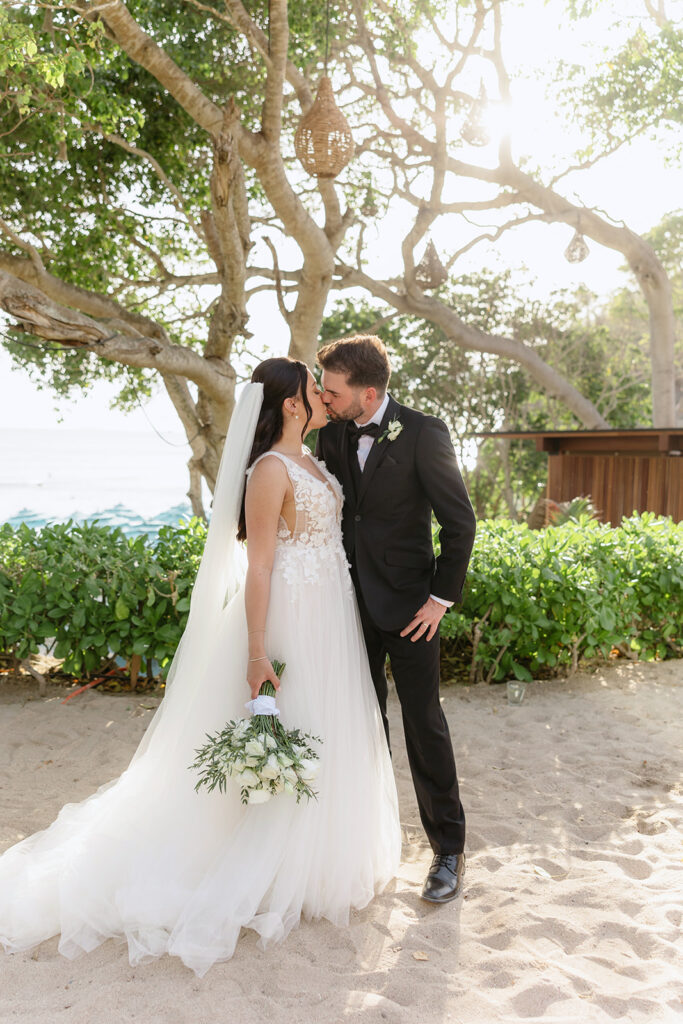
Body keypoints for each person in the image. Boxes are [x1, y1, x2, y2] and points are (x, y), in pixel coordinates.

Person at [0, 357, 401, 978]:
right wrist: (257, 649)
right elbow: (261, 566)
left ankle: (319, 859)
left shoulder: (314, 459)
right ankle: (258, 865)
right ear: (292, 405)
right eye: (312, 390)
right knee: (293, 724)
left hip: (330, 614)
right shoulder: (269, 471)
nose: (323, 395)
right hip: (292, 616)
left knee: (327, 729)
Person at [316, 335, 476, 904]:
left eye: (332, 391)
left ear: (369, 392)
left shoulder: (424, 433)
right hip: (344, 606)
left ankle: (449, 851)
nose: (324, 398)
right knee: (361, 723)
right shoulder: (331, 429)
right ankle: (370, 842)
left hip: (412, 611)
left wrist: (439, 601)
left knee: (423, 723)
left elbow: (460, 525)